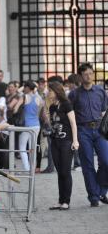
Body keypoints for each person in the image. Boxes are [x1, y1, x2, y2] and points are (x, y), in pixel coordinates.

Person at [69, 63, 108, 207]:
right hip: (83, 131)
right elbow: (70, 115)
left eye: (91, 73)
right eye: (86, 74)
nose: (89, 76)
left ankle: (101, 191)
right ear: (80, 76)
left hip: (100, 130)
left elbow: (104, 113)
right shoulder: (74, 94)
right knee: (88, 165)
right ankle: (93, 196)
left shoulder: (100, 91)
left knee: (106, 161)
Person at [46, 82, 79, 210]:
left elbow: (73, 123)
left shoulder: (67, 104)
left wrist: (75, 141)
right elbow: (53, 123)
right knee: (60, 172)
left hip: (67, 141)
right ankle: (60, 201)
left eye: (50, 91)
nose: (48, 93)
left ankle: (66, 201)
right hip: (55, 141)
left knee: (65, 171)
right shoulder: (52, 107)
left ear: (56, 91)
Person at [17, 80, 43, 172]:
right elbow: (39, 112)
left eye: (25, 87)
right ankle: (32, 168)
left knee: (22, 147)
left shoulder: (24, 97)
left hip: (26, 125)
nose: (24, 89)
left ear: (28, 88)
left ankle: (27, 168)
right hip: (36, 125)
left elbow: (15, 108)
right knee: (33, 147)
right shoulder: (39, 98)